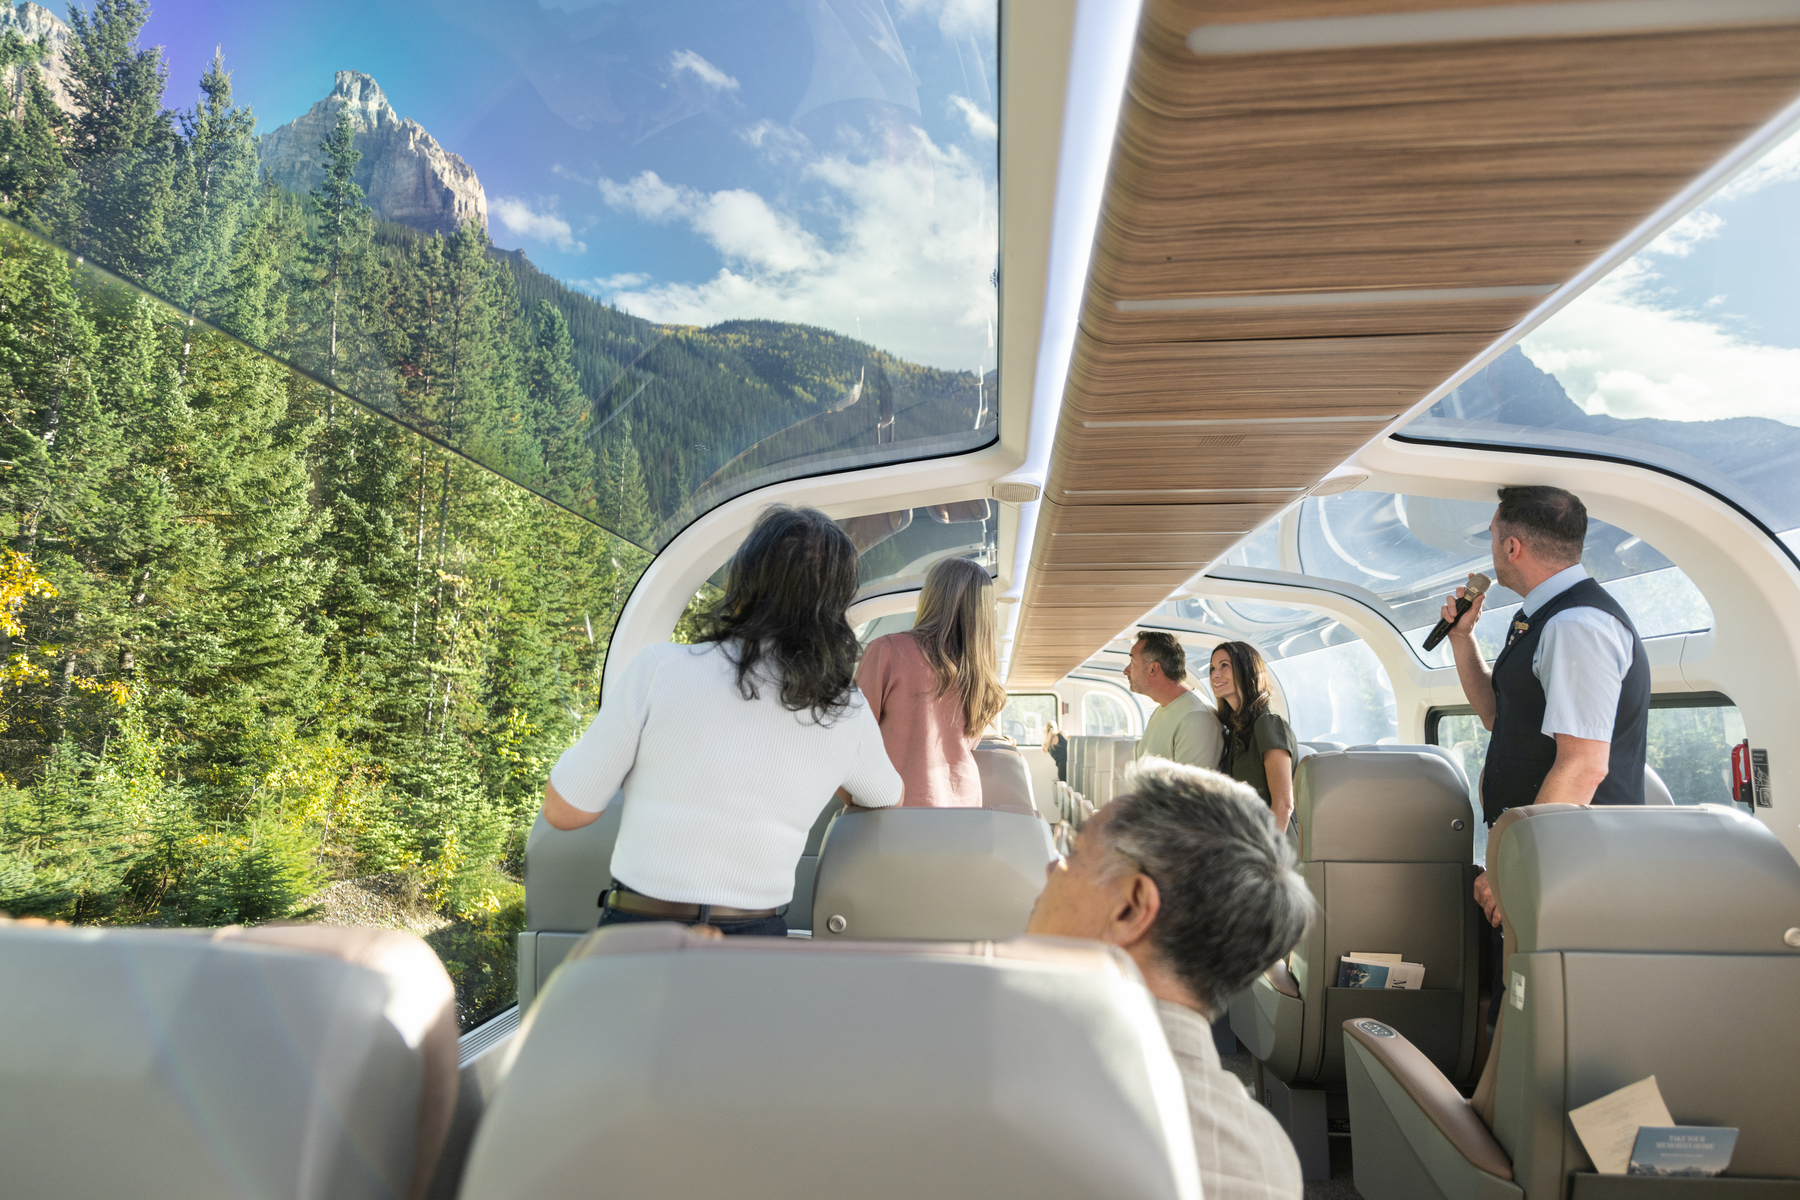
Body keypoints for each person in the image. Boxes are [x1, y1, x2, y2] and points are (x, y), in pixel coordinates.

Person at [540, 505, 904, 936]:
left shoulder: (660, 667)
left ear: (742, 581)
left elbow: (565, 811)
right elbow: (886, 799)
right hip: (755, 941)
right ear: (835, 607)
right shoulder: (845, 709)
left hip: (638, 932)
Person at [1027, 757, 1312, 1200]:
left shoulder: (986, 1068)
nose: (1051, 869)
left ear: (1131, 906)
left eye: (1074, 851)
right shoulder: (1267, 1160)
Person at [1439, 485, 1648, 933]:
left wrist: (1514, 867)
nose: (1491, 549)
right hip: (1545, 858)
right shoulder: (1543, 618)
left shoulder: (1577, 625)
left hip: (1569, 867)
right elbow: (1497, 715)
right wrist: (1462, 638)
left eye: (1492, 537)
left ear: (1512, 547)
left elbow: (1584, 765)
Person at [856, 556, 1007, 807]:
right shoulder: (982, 676)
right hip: (964, 813)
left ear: (930, 597)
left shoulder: (887, 651)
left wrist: (854, 803)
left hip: (894, 812)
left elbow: (853, 740)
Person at [1210, 642, 1298, 834]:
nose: (1215, 674)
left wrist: (1266, 855)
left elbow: (1283, 805)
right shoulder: (1236, 729)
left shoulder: (1268, 723)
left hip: (1271, 847)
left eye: (1224, 665)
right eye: (1212, 668)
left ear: (1246, 669)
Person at [1123, 630, 1224, 770]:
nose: (1126, 670)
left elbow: (1190, 789)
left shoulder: (1196, 718)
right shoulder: (1162, 709)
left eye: (1132, 662)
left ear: (1153, 669)